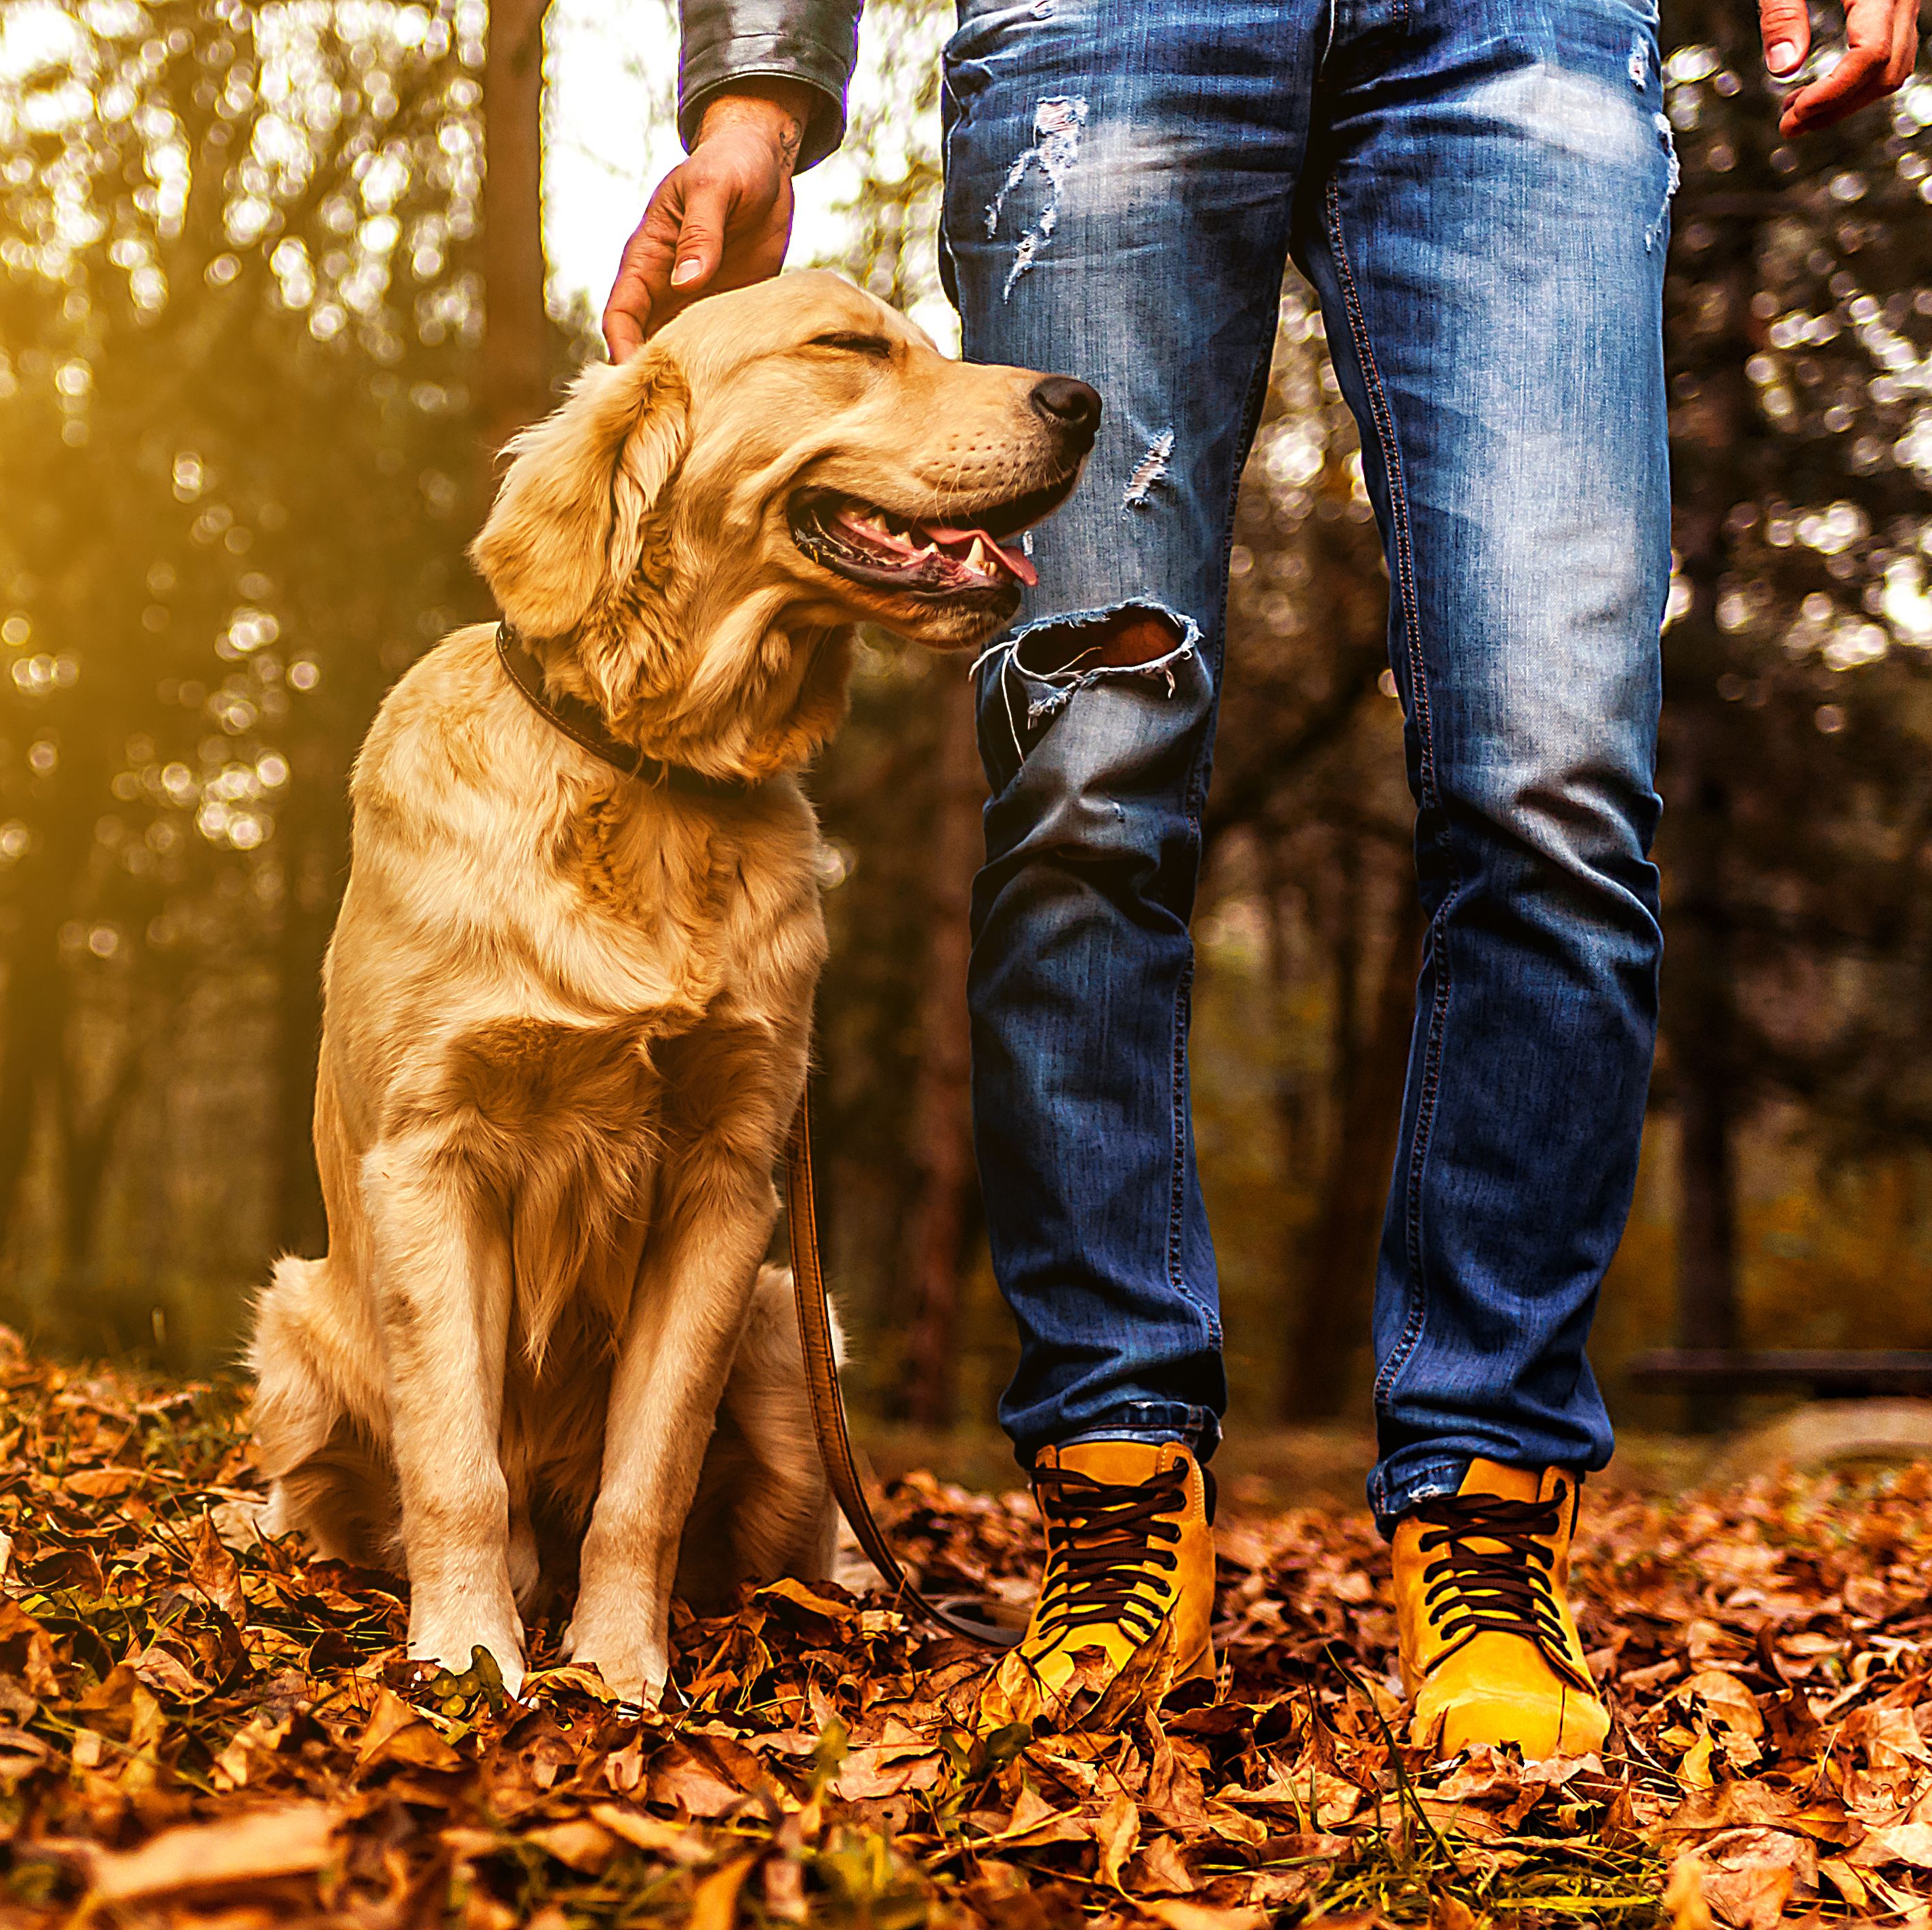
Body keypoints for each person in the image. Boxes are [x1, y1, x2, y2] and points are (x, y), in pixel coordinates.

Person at [609, 0, 1918, 1754]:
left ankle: (1486, 1507)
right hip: (1107, 32)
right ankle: (1120, 1485)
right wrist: (760, 91)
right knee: (1088, 766)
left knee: (1554, 778)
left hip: (1513, 38)